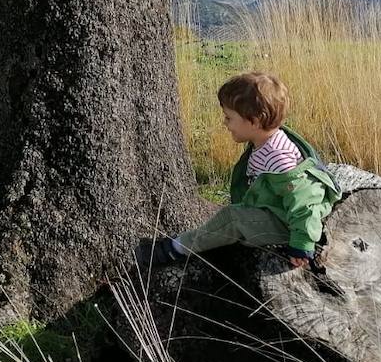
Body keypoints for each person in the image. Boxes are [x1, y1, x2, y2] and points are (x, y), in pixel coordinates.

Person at [137, 72, 339, 270]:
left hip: (286, 225)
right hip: (277, 211)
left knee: (232, 219)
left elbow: (303, 202)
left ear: (255, 121)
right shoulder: (264, 142)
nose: (225, 123)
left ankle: (175, 248)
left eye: (229, 117)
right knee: (233, 219)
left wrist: (301, 245)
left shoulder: (277, 156)